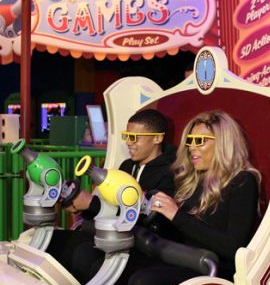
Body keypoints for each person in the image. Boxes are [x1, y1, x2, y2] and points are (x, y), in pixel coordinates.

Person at [114, 110, 262, 285]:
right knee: (114, 267)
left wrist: (176, 215)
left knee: (143, 283)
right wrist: (150, 208)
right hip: (180, 258)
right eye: (189, 141)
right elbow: (178, 232)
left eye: (199, 141)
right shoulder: (190, 180)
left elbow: (233, 247)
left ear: (223, 143)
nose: (192, 147)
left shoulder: (243, 181)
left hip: (211, 267)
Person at [45, 109, 176, 275]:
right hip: (112, 236)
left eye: (134, 137)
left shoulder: (170, 174)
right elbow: (108, 206)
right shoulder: (127, 166)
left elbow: (149, 219)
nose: (129, 142)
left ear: (158, 138)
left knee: (83, 256)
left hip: (141, 244)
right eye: (126, 136)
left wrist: (91, 204)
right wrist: (81, 207)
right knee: (55, 241)